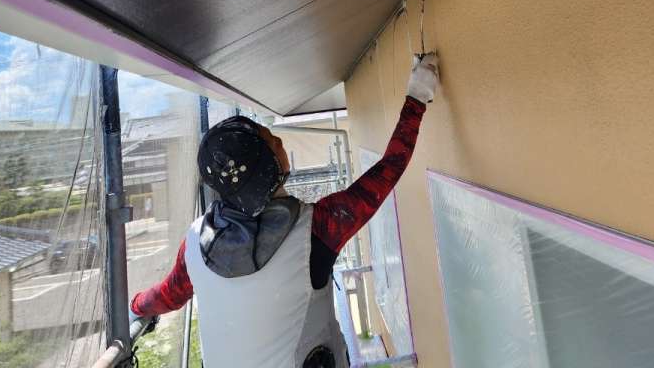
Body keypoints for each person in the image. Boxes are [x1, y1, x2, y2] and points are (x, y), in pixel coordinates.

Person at [129, 53, 439, 368]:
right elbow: (388, 170)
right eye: (271, 142)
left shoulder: (196, 243)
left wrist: (137, 306)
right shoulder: (316, 230)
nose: (279, 140)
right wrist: (417, 97)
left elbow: (168, 295)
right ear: (264, 168)